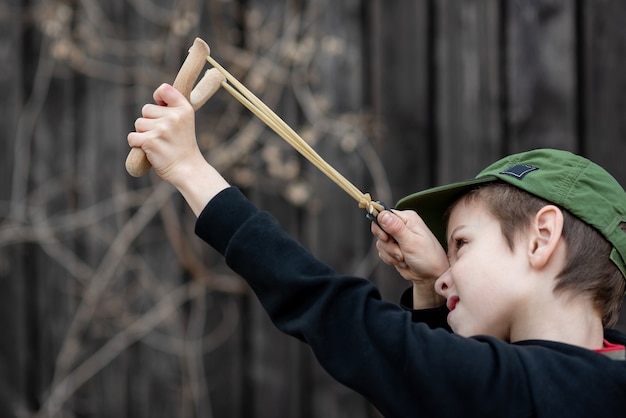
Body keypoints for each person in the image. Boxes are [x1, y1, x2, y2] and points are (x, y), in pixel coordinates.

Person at [128, 83, 626, 417]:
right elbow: (435, 393)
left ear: (541, 239)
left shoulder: (539, 388)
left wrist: (193, 174)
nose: (449, 271)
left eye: (462, 245)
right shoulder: (596, 375)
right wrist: (431, 289)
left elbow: (343, 318)